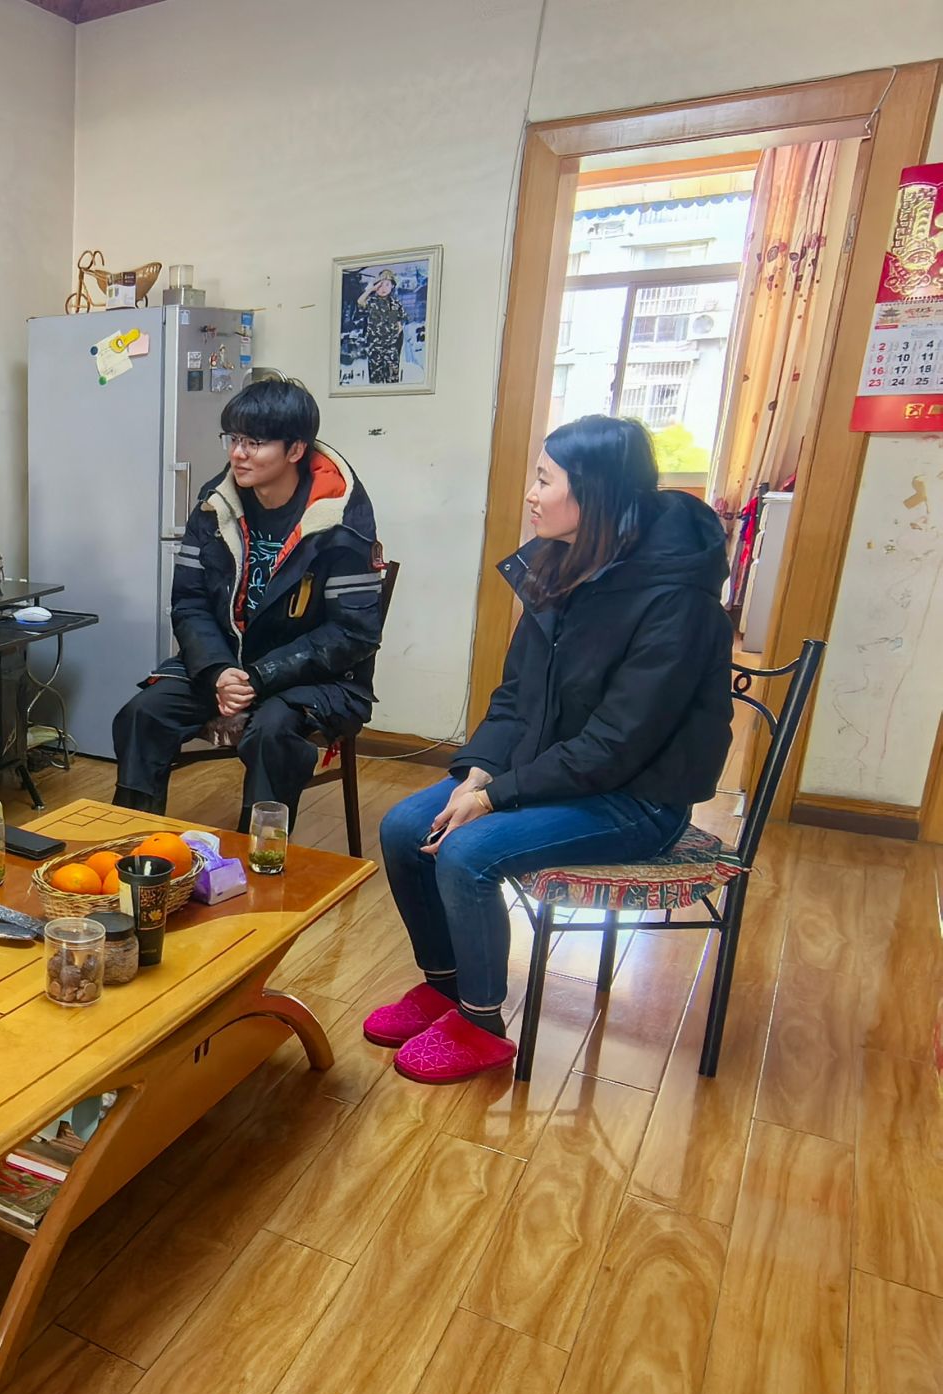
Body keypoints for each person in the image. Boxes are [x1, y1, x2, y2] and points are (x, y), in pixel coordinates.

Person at [366, 416, 733, 1084]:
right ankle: (445, 985)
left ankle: (480, 1022)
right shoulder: (558, 566)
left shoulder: (677, 602)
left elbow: (616, 745)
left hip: (636, 798)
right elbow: (515, 696)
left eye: (544, 480)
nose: (531, 494)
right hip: (553, 773)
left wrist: (494, 799)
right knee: (402, 828)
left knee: (469, 853)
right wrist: (478, 772)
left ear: (594, 493)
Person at [111, 376, 383, 827]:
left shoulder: (339, 518)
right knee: (142, 715)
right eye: (234, 439)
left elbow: (353, 632)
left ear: (295, 449)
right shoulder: (215, 505)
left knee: (271, 734)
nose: (238, 453)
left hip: (315, 678)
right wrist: (219, 672)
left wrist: (261, 676)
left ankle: (259, 856)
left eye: (254, 443)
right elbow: (190, 602)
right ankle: (135, 844)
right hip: (225, 662)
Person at [356, 268, 407, 385]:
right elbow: (360, 302)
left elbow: (399, 325)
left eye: (387, 285)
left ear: (392, 286)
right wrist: (371, 289)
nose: (383, 288)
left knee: (392, 381)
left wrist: (394, 343)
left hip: (391, 349)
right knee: (375, 382)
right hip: (375, 348)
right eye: (380, 285)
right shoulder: (371, 302)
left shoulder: (396, 304)